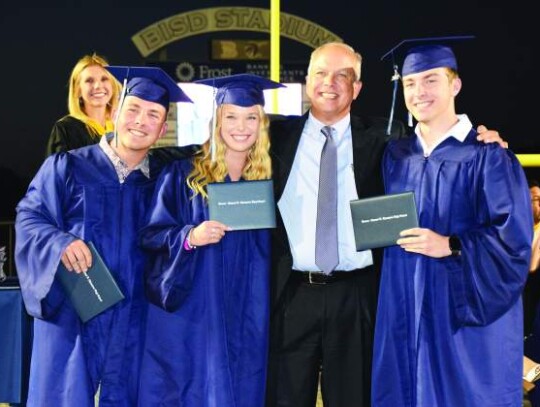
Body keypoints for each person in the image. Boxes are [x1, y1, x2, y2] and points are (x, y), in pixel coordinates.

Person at [266, 41, 507, 407]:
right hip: (291, 294)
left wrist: (482, 139)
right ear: (307, 80)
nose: (330, 83)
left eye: (343, 75)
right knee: (281, 398)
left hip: (359, 294)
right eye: (321, 73)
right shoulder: (273, 138)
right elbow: (211, 152)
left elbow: (440, 140)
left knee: (355, 398)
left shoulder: (389, 140)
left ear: (357, 88)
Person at [14, 66, 192, 407]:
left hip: (137, 319)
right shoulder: (68, 167)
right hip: (74, 313)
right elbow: (30, 217)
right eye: (134, 109)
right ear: (116, 112)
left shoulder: (163, 183)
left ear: (161, 130)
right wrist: (59, 242)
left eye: (153, 115)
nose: (140, 121)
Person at [371, 40, 532, 406]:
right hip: (403, 302)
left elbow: (515, 238)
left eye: (431, 80)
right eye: (410, 83)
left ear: (454, 85)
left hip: (459, 307)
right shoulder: (396, 154)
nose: (419, 91)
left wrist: (452, 244)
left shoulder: (487, 155)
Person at [137, 74, 283, 407]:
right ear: (217, 121)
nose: (241, 126)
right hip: (197, 307)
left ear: (261, 124)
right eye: (230, 116)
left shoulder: (270, 178)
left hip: (250, 307)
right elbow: (151, 234)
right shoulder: (183, 175)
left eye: (250, 117)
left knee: (244, 382)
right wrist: (190, 236)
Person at [46, 53, 122, 156]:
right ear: (78, 90)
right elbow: (57, 170)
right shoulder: (66, 129)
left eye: (104, 79)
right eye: (89, 81)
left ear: (112, 85)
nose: (98, 86)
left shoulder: (122, 126)